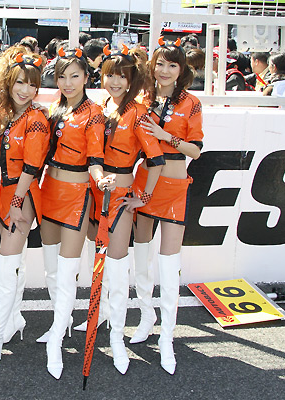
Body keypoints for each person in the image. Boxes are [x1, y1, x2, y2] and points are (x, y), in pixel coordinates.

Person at [134, 38, 203, 375]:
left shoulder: (191, 103)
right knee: (141, 257)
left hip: (175, 188)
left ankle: (167, 337)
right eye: (160, 63)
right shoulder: (142, 99)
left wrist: (166, 136)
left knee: (169, 263)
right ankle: (146, 316)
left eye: (172, 65)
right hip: (144, 183)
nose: (164, 70)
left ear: (181, 70)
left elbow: (196, 151)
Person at [95, 44, 164, 375]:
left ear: (132, 80)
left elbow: (157, 160)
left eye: (122, 76)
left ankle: (117, 337)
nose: (115, 82)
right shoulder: (99, 107)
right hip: (95, 191)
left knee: (117, 264)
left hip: (121, 196)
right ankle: (103, 315)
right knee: (100, 263)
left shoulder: (139, 112)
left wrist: (143, 198)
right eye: (110, 75)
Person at [38, 47, 107, 379]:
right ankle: (60, 323)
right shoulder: (54, 108)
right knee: (51, 270)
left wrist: (100, 178)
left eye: (74, 76)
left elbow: (95, 158)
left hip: (77, 196)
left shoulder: (94, 113)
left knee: (67, 272)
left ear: (86, 77)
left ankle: (55, 342)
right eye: (62, 76)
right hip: (48, 190)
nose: (67, 83)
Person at [0, 46, 49, 369]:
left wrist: (18, 203)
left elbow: (31, 168)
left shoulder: (36, 119)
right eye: (20, 82)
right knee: (14, 261)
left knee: (7, 266)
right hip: (7, 191)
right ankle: (13, 320)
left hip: (23, 194)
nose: (26, 90)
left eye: (33, 84)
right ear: (8, 82)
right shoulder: (6, 112)